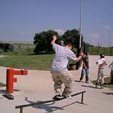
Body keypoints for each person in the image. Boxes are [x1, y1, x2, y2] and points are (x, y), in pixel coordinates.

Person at [50, 35, 83, 99]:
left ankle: (58, 94)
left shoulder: (59, 47)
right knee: (70, 81)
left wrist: (54, 38)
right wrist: (81, 56)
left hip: (53, 69)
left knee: (57, 82)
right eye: (71, 48)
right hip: (62, 69)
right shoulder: (69, 51)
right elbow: (76, 60)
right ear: (70, 46)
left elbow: (52, 43)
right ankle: (66, 94)